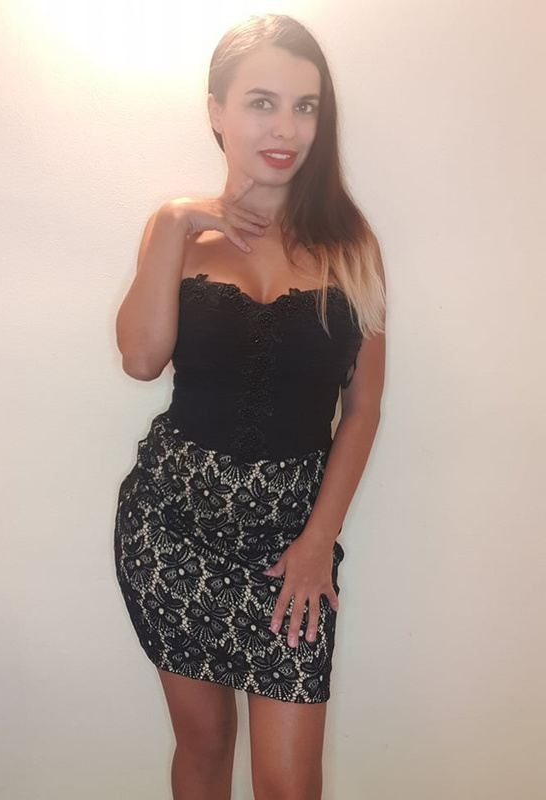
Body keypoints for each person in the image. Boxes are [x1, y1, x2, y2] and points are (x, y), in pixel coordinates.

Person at [113, 12, 386, 800]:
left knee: (290, 784)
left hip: (291, 551)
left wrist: (318, 541)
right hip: (171, 531)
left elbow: (363, 407)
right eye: (262, 102)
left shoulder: (351, 246)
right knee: (203, 748)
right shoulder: (179, 235)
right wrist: (175, 220)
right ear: (216, 111)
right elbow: (139, 359)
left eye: (305, 106)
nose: (286, 129)